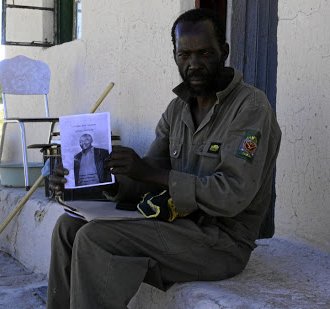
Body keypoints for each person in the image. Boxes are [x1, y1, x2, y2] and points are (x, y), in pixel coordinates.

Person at [46, 8, 282, 308]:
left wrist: (150, 173)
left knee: (95, 238)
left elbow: (231, 194)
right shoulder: (177, 109)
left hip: (222, 243)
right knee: (68, 228)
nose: (194, 64)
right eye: (184, 55)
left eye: (204, 53)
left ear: (224, 52)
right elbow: (146, 178)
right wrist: (89, 180)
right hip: (175, 226)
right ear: (175, 56)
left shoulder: (251, 107)